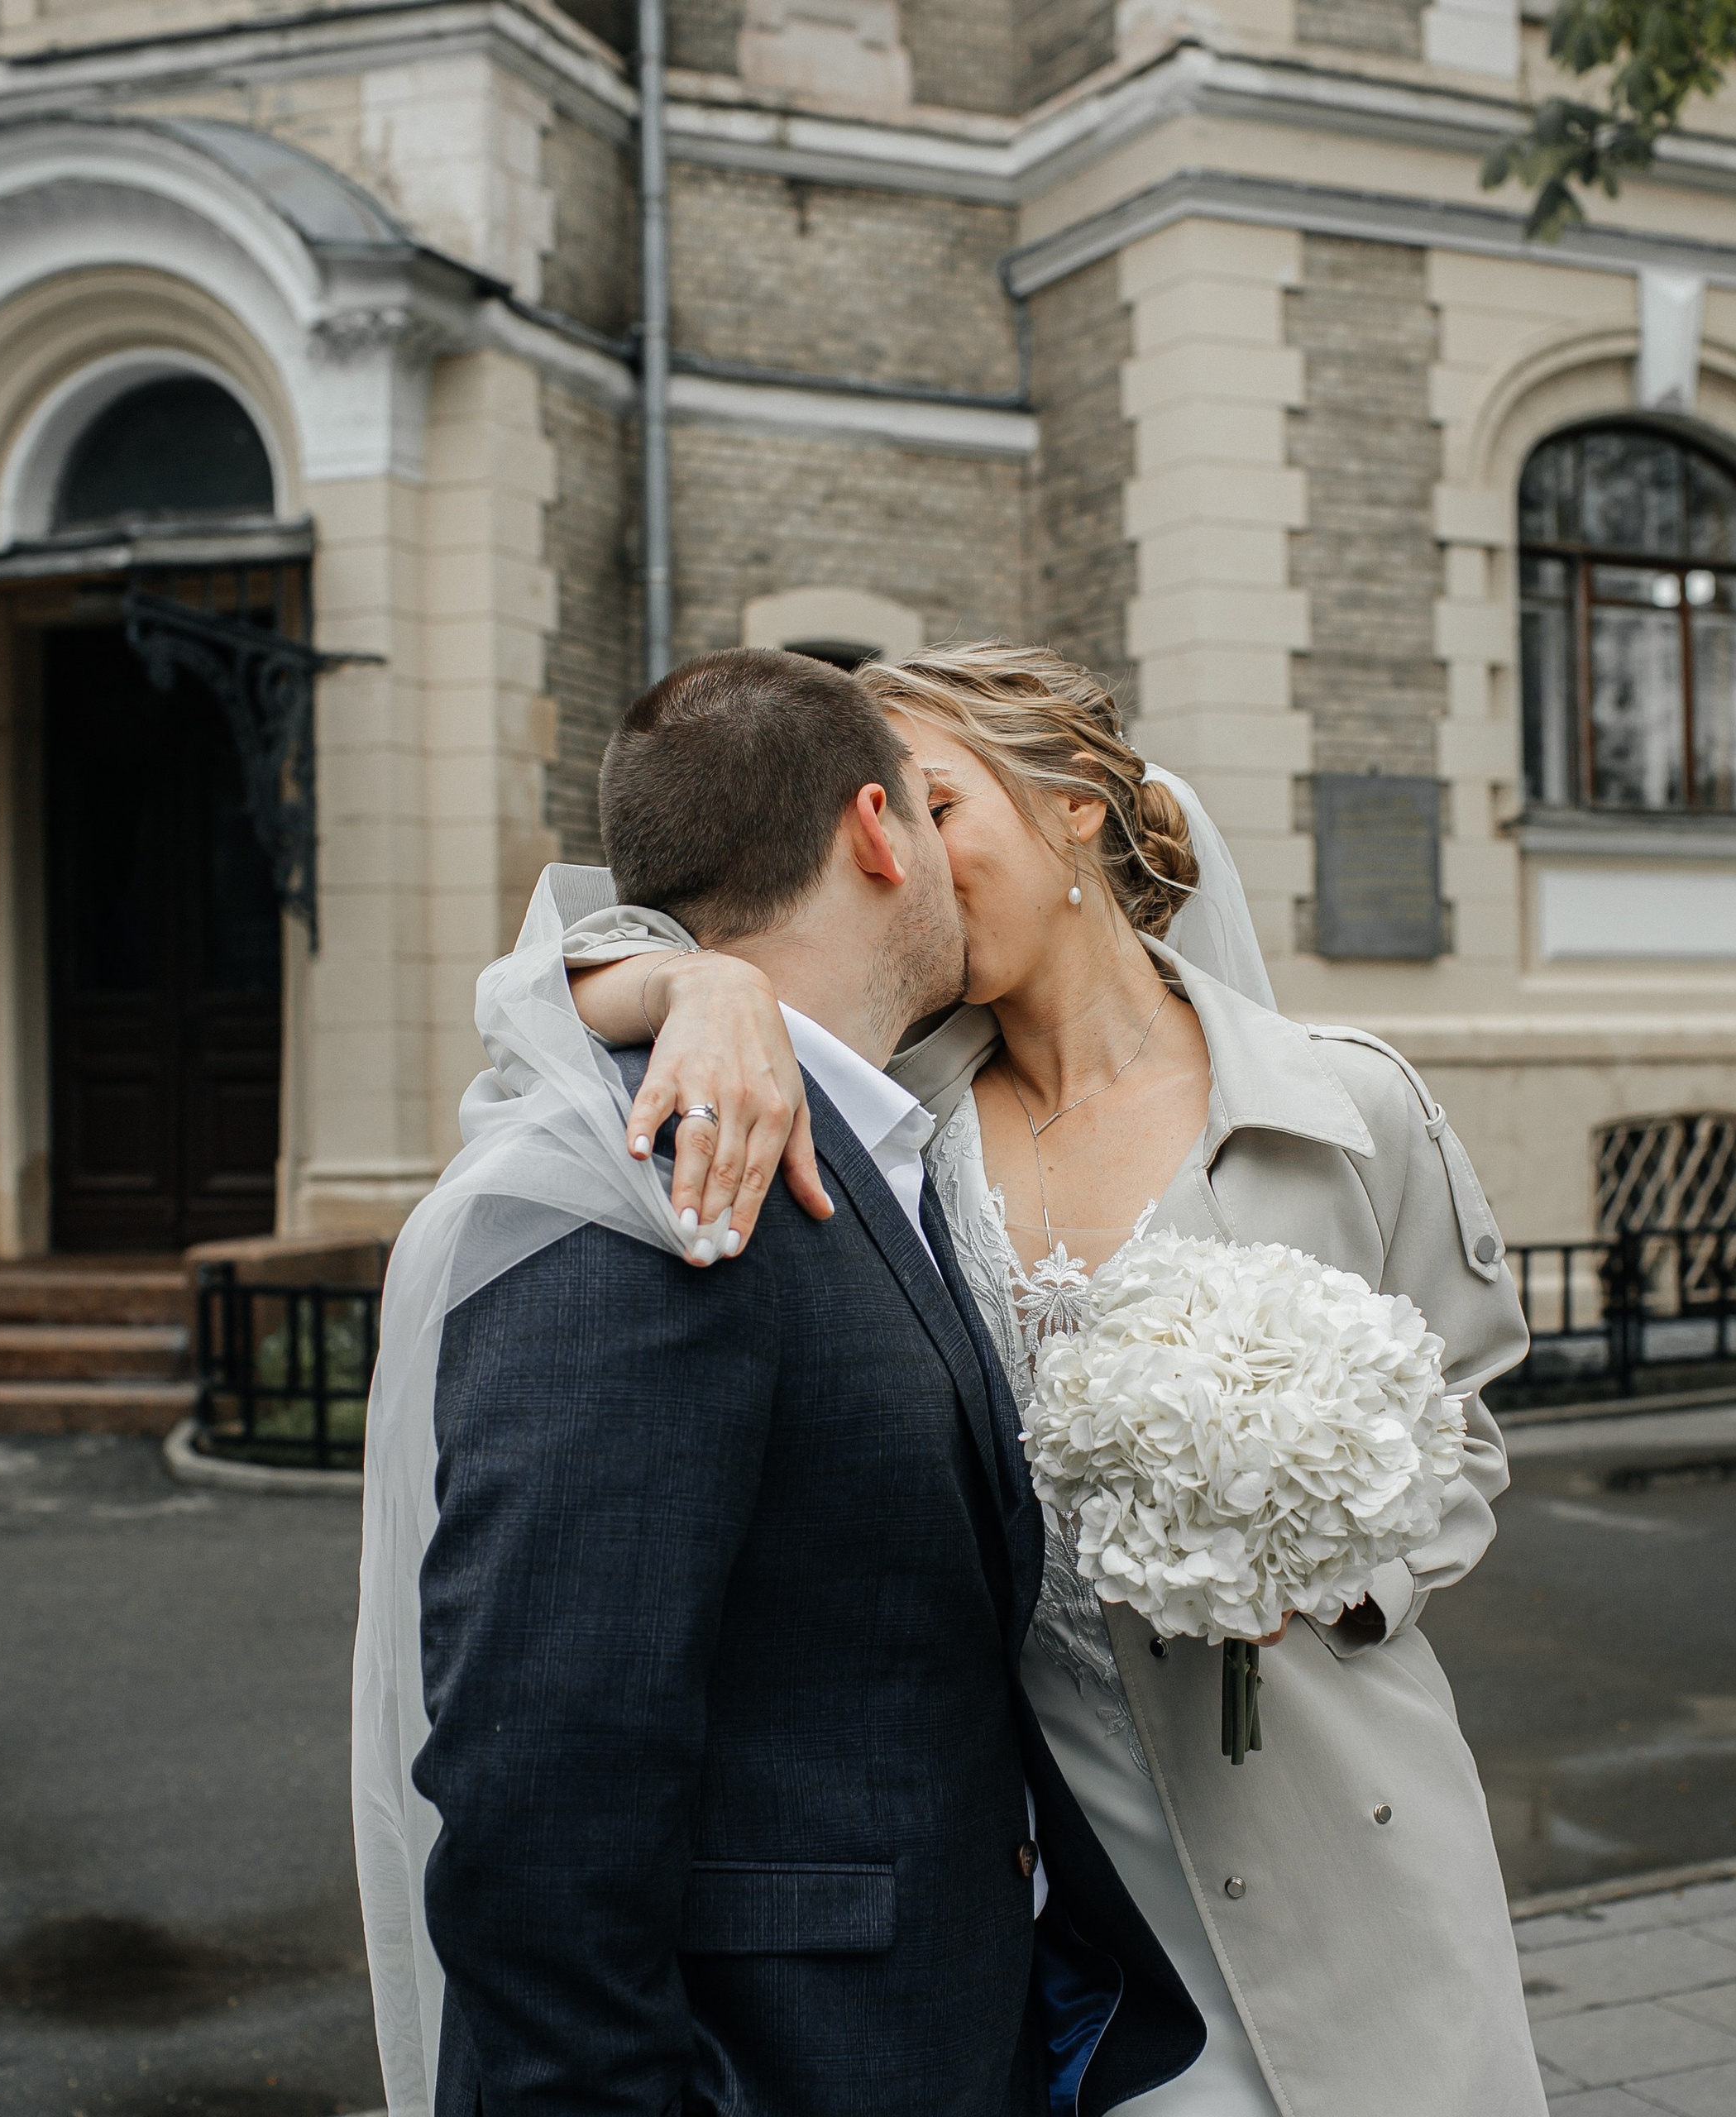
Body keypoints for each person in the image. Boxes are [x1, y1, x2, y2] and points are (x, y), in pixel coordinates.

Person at [565, 641, 1547, 2117]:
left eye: (939, 800)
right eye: (881, 815)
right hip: (1068, 1883)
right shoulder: (894, 1122)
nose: (907, 856)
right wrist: (700, 984)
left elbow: (1462, 1430)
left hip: (1344, 1817)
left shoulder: (1344, 1106)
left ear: (1074, 807)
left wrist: (1335, 1576)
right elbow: (533, 997)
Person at [351, 648, 1204, 2117]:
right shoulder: (662, 1182)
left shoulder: (870, 1132)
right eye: (932, 818)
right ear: (880, 832)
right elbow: (538, 1798)